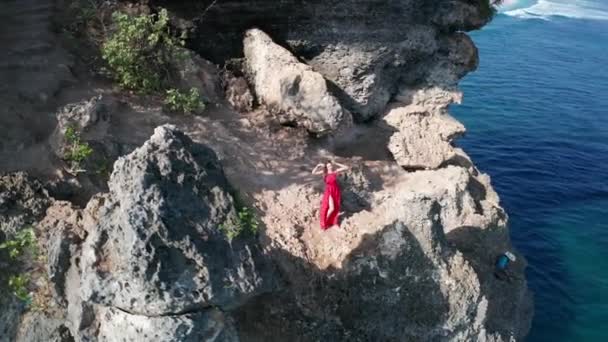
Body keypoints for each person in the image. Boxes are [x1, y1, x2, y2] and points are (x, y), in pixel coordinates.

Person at [312, 160, 349, 230]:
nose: (330, 167)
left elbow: (346, 167)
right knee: (331, 208)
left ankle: (334, 223)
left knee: (336, 207)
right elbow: (313, 173)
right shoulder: (324, 173)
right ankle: (325, 223)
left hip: (336, 190)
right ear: (326, 167)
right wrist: (317, 166)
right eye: (328, 166)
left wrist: (337, 163)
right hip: (329, 191)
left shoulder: (335, 171)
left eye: (330, 165)